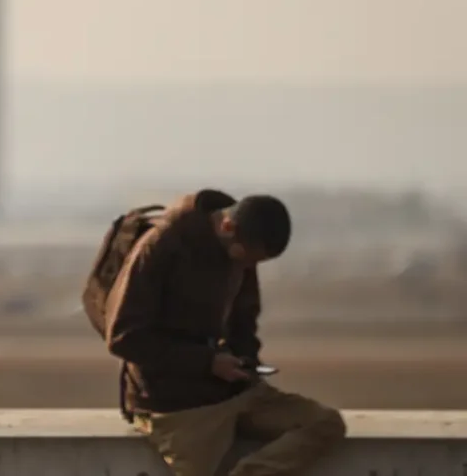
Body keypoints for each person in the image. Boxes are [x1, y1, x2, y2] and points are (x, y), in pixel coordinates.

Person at [105, 189, 346, 476]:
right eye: (245, 258)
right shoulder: (162, 246)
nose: (247, 267)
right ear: (227, 227)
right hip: (174, 404)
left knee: (323, 424)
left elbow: (244, 319)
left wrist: (246, 361)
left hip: (229, 391)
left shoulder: (241, 250)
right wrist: (207, 362)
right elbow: (124, 337)